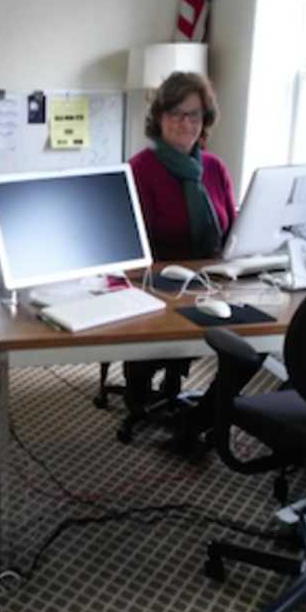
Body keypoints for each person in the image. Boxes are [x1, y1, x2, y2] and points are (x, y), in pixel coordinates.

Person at [123, 72, 237, 447]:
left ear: (205, 120)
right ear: (159, 117)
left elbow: (232, 231)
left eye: (195, 114)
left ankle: (198, 420)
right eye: (175, 113)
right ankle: (141, 392)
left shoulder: (216, 169)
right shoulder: (140, 169)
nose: (186, 123)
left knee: (249, 349)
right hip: (156, 288)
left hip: (211, 283)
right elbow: (132, 246)